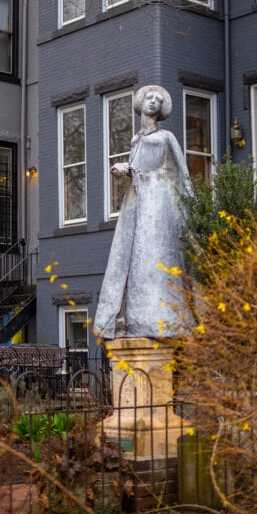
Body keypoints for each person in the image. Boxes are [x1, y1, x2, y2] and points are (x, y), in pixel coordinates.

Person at [92, 85, 194, 339]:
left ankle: (163, 318)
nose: (153, 102)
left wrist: (189, 210)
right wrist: (128, 169)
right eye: (150, 97)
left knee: (155, 254)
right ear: (141, 103)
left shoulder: (166, 137)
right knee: (135, 258)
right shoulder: (136, 139)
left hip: (158, 203)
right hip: (138, 203)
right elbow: (138, 168)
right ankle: (133, 319)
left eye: (158, 100)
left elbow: (181, 173)